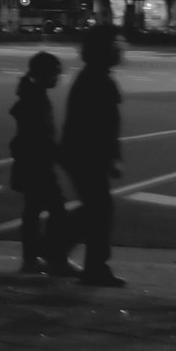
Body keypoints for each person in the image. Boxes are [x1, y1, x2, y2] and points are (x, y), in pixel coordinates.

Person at [59, 23, 126, 287]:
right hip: (85, 155)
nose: (121, 50)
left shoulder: (94, 76)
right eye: (116, 45)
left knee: (95, 208)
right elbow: (101, 126)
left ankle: (57, 247)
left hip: (80, 154)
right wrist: (112, 157)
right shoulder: (96, 79)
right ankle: (94, 266)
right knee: (100, 209)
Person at [9, 51, 80, 276]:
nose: (58, 78)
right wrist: (62, 156)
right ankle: (54, 258)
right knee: (56, 210)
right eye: (56, 73)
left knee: (33, 211)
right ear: (45, 74)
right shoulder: (35, 98)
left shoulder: (31, 92)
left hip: (31, 162)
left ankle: (32, 258)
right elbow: (40, 136)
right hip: (38, 164)